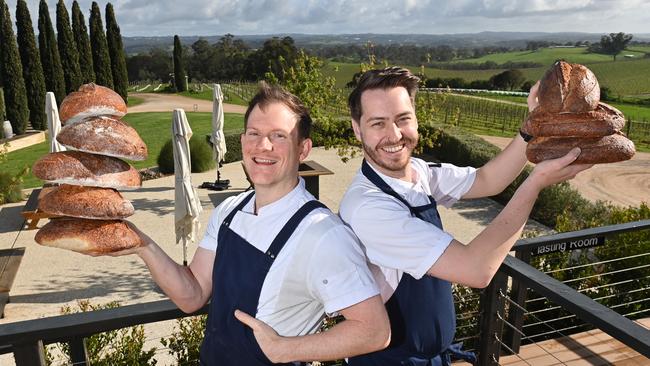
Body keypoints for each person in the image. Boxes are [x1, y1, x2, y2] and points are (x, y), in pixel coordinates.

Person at [120, 83, 390, 365]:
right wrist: (143, 245)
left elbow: (374, 331)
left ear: (303, 149)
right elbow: (193, 295)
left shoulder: (323, 234)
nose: (263, 146)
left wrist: (284, 350)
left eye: (279, 136)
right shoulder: (229, 210)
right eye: (254, 133)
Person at [339, 67, 593, 365]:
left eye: (403, 119)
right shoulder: (370, 208)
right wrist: (535, 183)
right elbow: (477, 270)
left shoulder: (417, 172)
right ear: (357, 129)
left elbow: (487, 180)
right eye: (378, 123)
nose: (394, 134)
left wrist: (532, 125)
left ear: (416, 118)